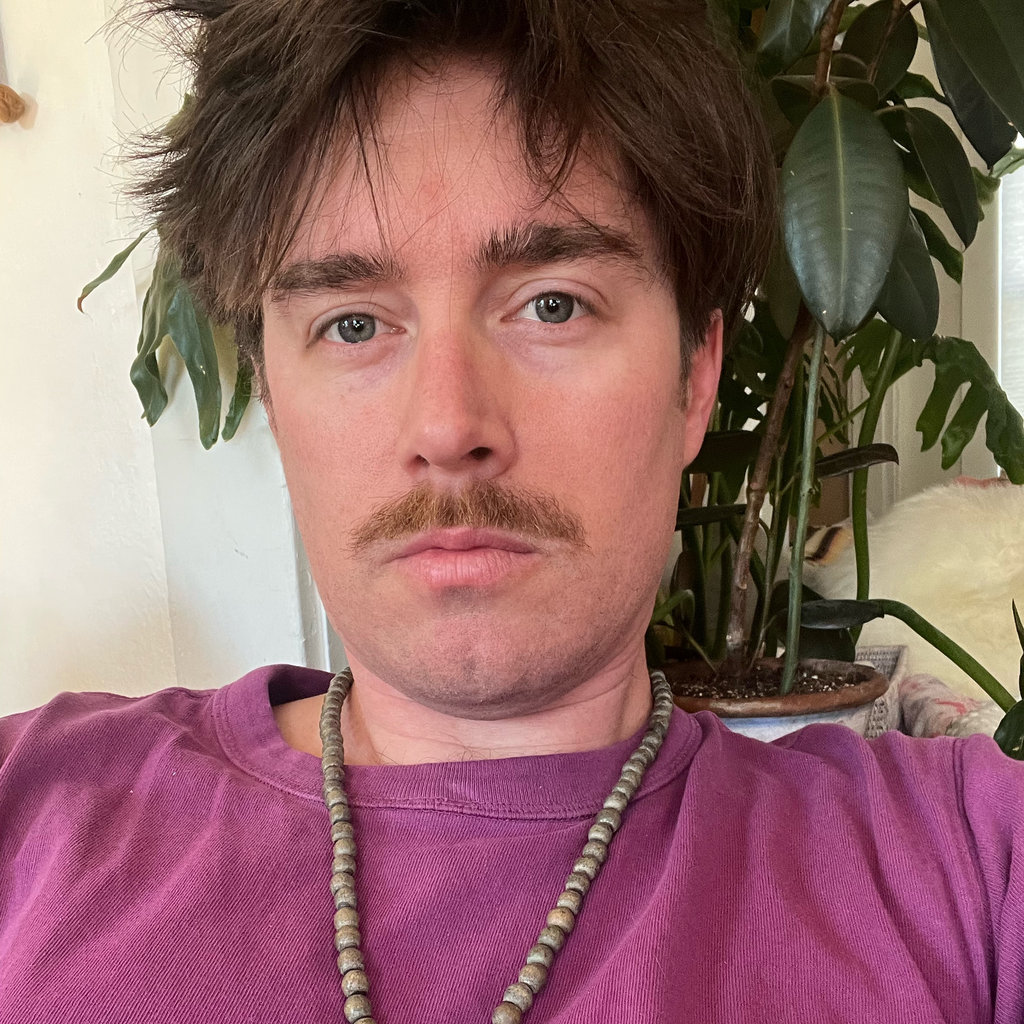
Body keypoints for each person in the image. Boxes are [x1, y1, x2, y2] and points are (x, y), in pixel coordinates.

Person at [1, 1, 1022, 1021]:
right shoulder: (32, 809)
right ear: (271, 388)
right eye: (352, 324)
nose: (448, 426)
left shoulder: (967, 865)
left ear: (696, 376)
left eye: (552, 304)